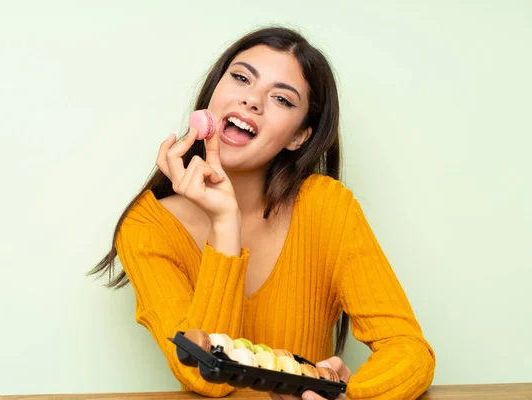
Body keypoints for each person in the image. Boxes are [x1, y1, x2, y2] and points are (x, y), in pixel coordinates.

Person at [89, 26, 435, 400]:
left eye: (282, 99)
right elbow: (206, 378)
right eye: (240, 78)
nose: (252, 100)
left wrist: (351, 395)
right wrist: (225, 224)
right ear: (212, 97)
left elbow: (409, 350)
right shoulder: (147, 227)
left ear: (299, 136)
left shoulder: (326, 207)